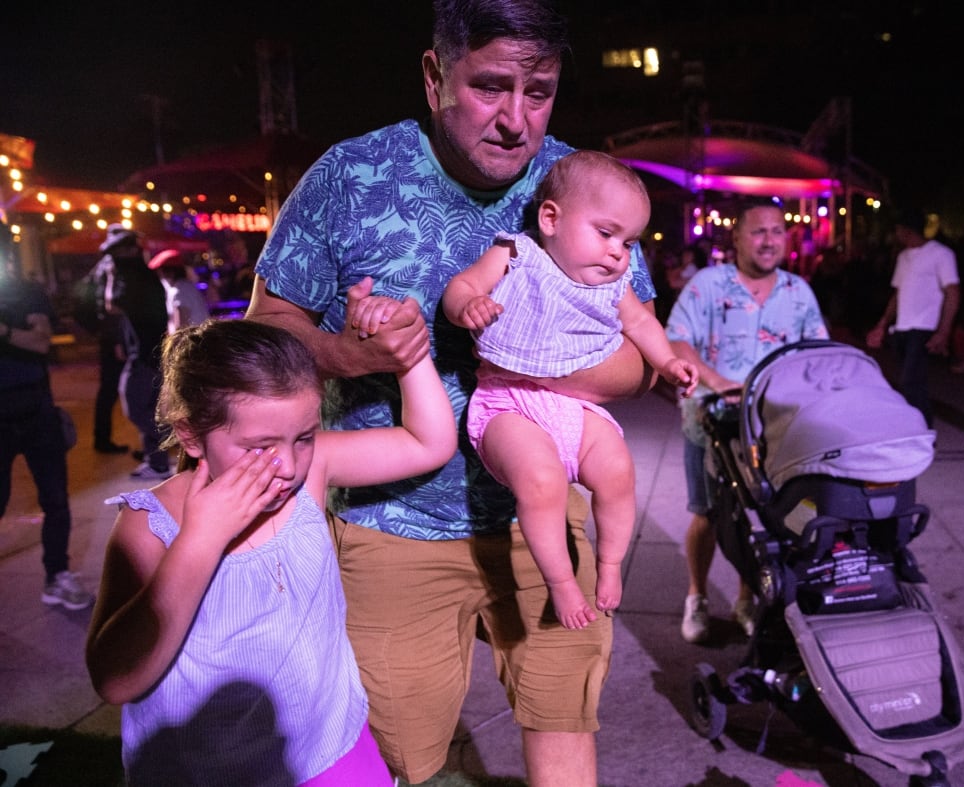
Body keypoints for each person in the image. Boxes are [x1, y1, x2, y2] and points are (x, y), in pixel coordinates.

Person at [244, 2, 657, 784]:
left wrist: (510, 358)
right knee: (405, 753)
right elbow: (269, 322)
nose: (515, 119)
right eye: (490, 87)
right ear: (435, 77)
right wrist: (343, 351)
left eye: (538, 92)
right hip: (391, 526)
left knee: (563, 719)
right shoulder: (347, 176)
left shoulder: (587, 186)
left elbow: (638, 361)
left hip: (549, 517)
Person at [86, 317, 455, 786]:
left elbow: (429, 443)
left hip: (331, 751)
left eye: (303, 437)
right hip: (204, 774)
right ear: (191, 436)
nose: (286, 466)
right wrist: (202, 540)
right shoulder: (148, 525)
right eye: (259, 447)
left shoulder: (312, 470)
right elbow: (117, 680)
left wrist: (409, 350)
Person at [441, 150, 698, 629]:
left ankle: (609, 565)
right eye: (606, 233)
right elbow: (462, 285)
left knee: (618, 471)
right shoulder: (516, 254)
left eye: (629, 242)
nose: (618, 252)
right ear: (551, 218)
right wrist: (468, 306)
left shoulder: (612, 286)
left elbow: (642, 323)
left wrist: (667, 361)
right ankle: (560, 584)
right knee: (542, 483)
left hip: (577, 408)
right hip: (508, 406)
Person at [665, 197, 830, 644]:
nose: (769, 240)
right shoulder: (708, 285)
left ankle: (745, 600)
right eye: (758, 231)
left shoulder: (798, 292)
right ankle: (696, 597)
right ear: (736, 238)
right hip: (710, 422)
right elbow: (676, 341)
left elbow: (816, 354)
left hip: (773, 430)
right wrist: (719, 384)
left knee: (759, 518)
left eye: (777, 231)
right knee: (706, 515)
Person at [0, 257, 94, 610]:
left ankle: (57, 576)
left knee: (55, 499)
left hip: (37, 412)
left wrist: (6, 333)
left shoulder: (26, 292)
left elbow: (42, 342)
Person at [865, 208, 961, 428]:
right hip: (903, 328)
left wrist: (944, 331)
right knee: (911, 382)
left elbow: (952, 292)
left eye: (898, 230)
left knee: (911, 380)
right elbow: (898, 294)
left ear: (906, 231)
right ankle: (915, 427)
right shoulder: (903, 257)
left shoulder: (941, 254)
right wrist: (882, 324)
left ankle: (923, 430)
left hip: (924, 327)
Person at [101, 225, 172, 478]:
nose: (114, 257)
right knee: (150, 407)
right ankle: (158, 463)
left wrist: (110, 275)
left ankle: (168, 444)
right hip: (152, 349)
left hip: (144, 354)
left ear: (131, 249)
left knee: (134, 405)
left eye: (118, 251)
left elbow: (112, 304)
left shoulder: (133, 276)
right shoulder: (145, 275)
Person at [78, 242, 129, 454]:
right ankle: (103, 440)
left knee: (107, 391)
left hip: (107, 336)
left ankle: (102, 438)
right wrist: (118, 341)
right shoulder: (112, 269)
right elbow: (112, 310)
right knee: (116, 389)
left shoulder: (98, 268)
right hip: (114, 338)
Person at [148, 249, 211, 334]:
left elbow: (182, 324)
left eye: (160, 273)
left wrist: (175, 343)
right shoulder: (186, 287)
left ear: (170, 272)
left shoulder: (179, 290)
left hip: (191, 341)